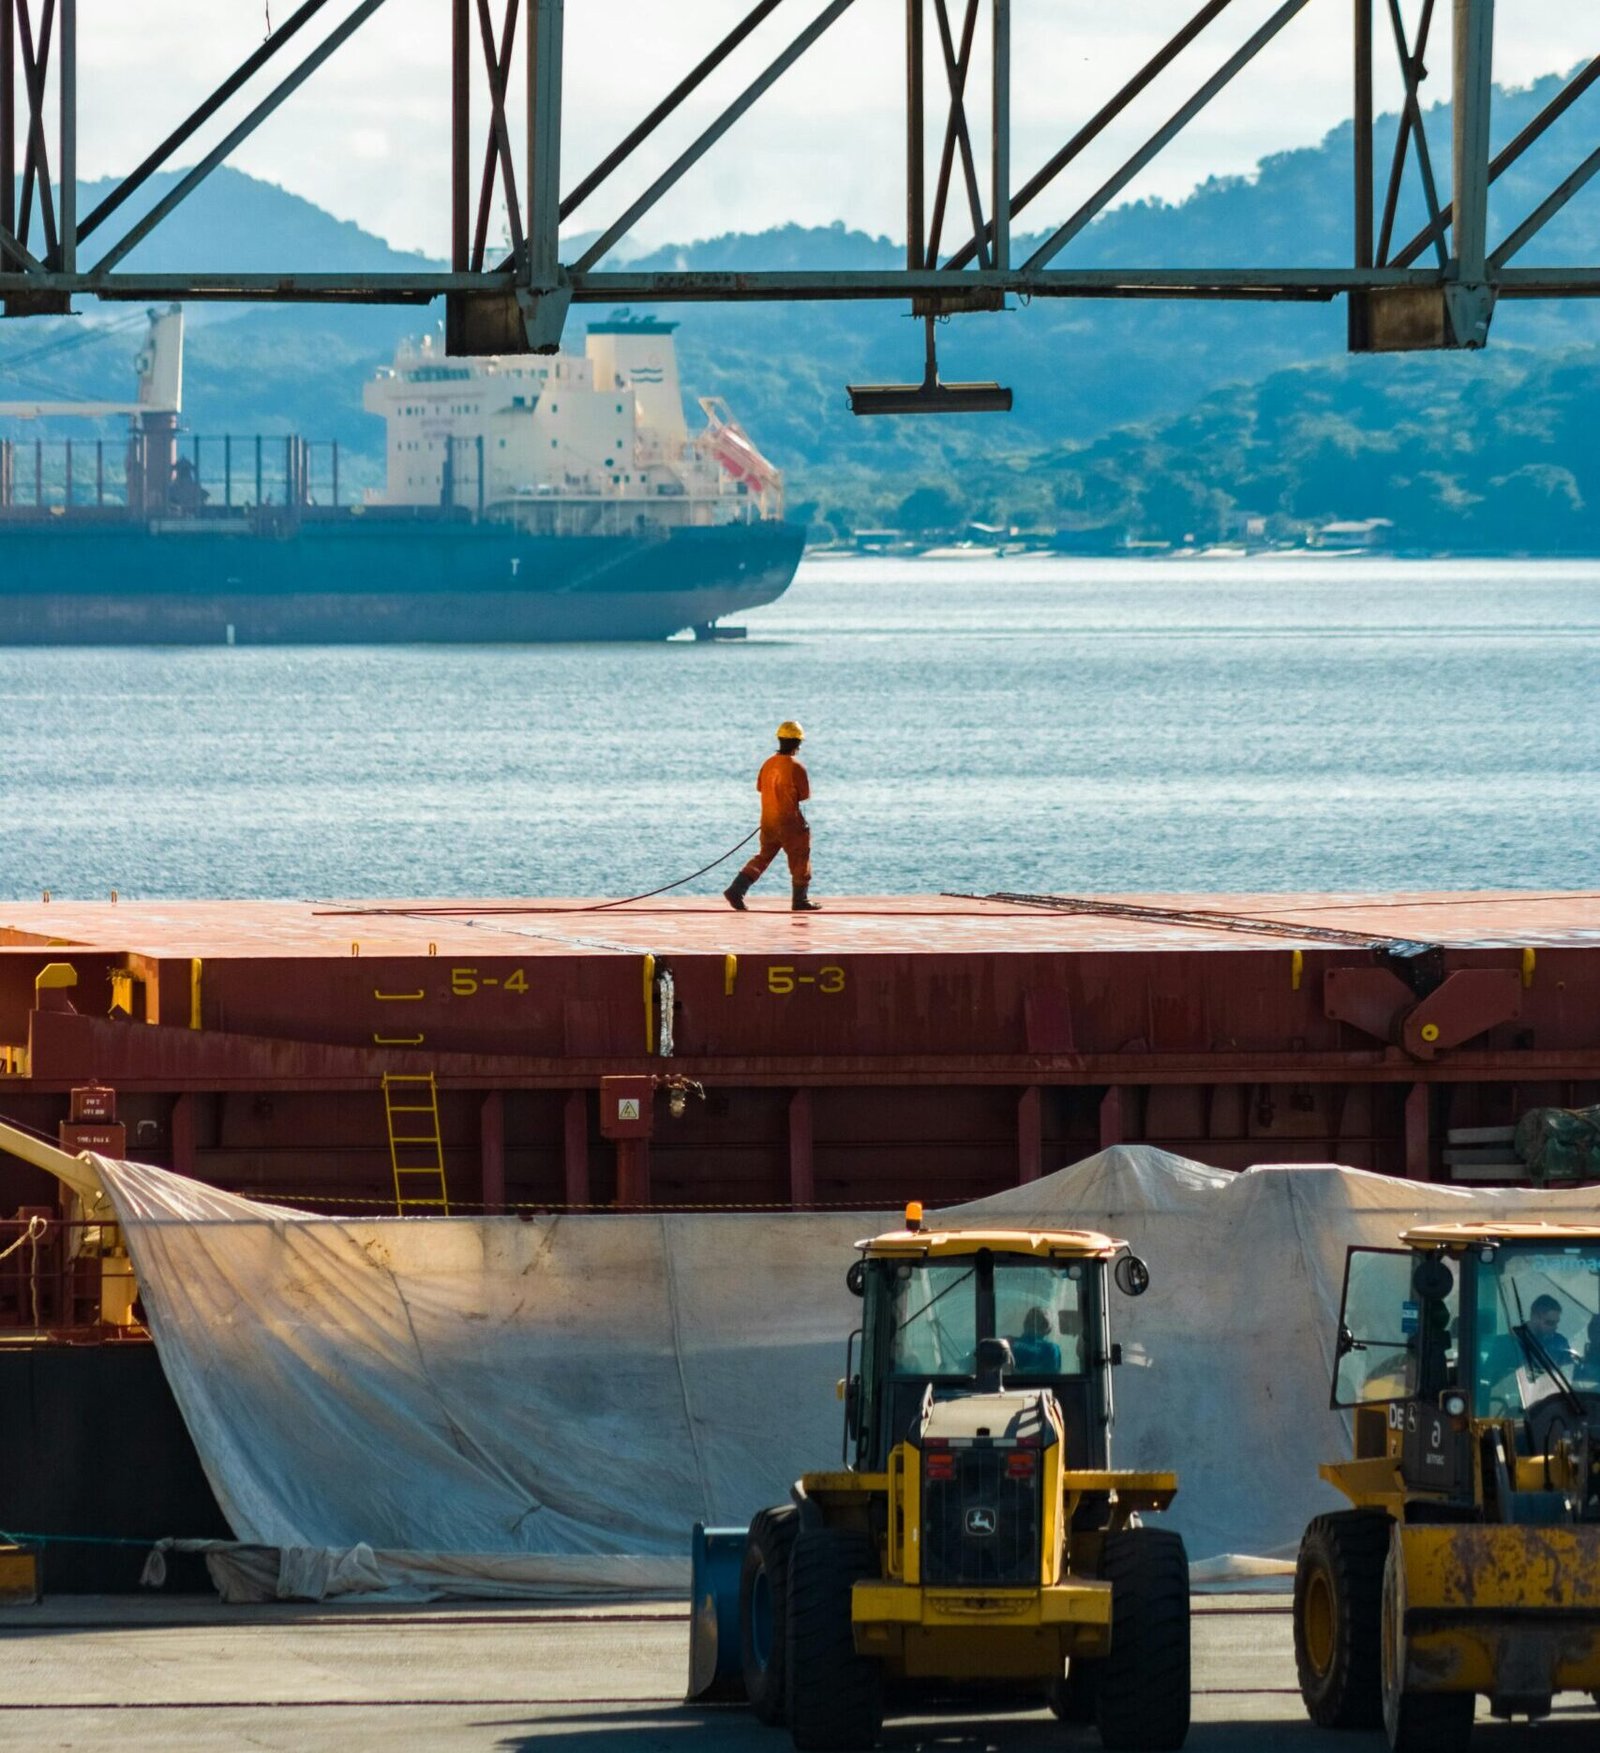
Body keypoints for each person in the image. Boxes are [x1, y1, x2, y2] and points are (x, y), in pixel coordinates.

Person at [723, 720, 821, 912]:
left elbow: (760, 787)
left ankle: (737, 889)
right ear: (797, 743)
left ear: (780, 740)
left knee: (763, 856)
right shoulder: (796, 767)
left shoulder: (768, 764)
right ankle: (800, 900)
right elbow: (804, 795)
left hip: (768, 822)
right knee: (800, 857)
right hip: (790, 823)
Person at [1515, 1293, 1578, 1374]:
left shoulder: (1560, 1342)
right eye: (1550, 1323)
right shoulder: (1511, 1342)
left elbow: (1569, 1374)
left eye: (1556, 1323)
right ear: (1534, 1317)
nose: (1555, 1327)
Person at [1007, 1307, 1062, 1375]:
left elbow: (1050, 1373)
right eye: (1030, 1320)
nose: (1033, 1323)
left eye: (1039, 1321)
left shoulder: (1007, 1342)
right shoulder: (1051, 1348)